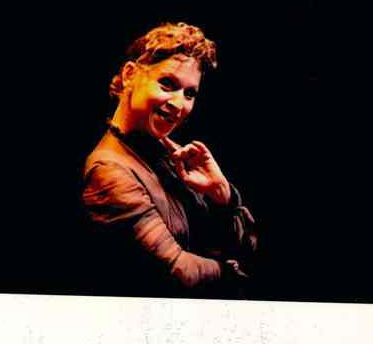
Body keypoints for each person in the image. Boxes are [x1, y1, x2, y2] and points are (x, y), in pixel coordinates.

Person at [82, 22, 257, 299]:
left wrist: (221, 194)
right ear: (130, 75)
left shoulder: (171, 154)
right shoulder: (108, 172)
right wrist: (232, 271)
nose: (179, 104)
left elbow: (246, 245)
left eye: (190, 94)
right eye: (167, 84)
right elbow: (176, 272)